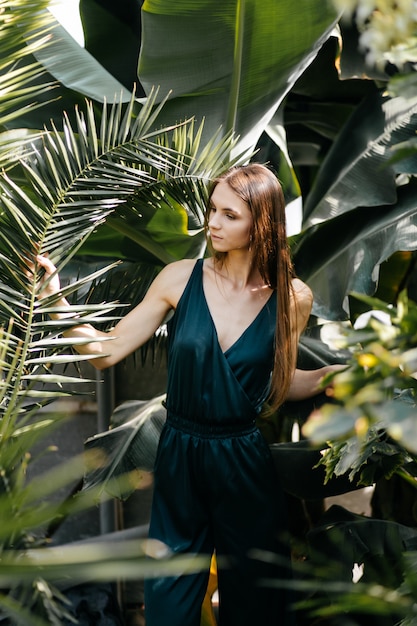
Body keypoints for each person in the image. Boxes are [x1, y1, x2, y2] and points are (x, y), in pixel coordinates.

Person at [35, 163, 339, 626]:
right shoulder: (180, 278)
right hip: (180, 455)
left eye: (229, 215)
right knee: (168, 605)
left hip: (244, 460)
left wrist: (329, 377)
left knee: (257, 604)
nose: (212, 223)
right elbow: (104, 351)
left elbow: (276, 384)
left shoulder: (292, 297)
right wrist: (54, 297)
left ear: (261, 223)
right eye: (212, 210)